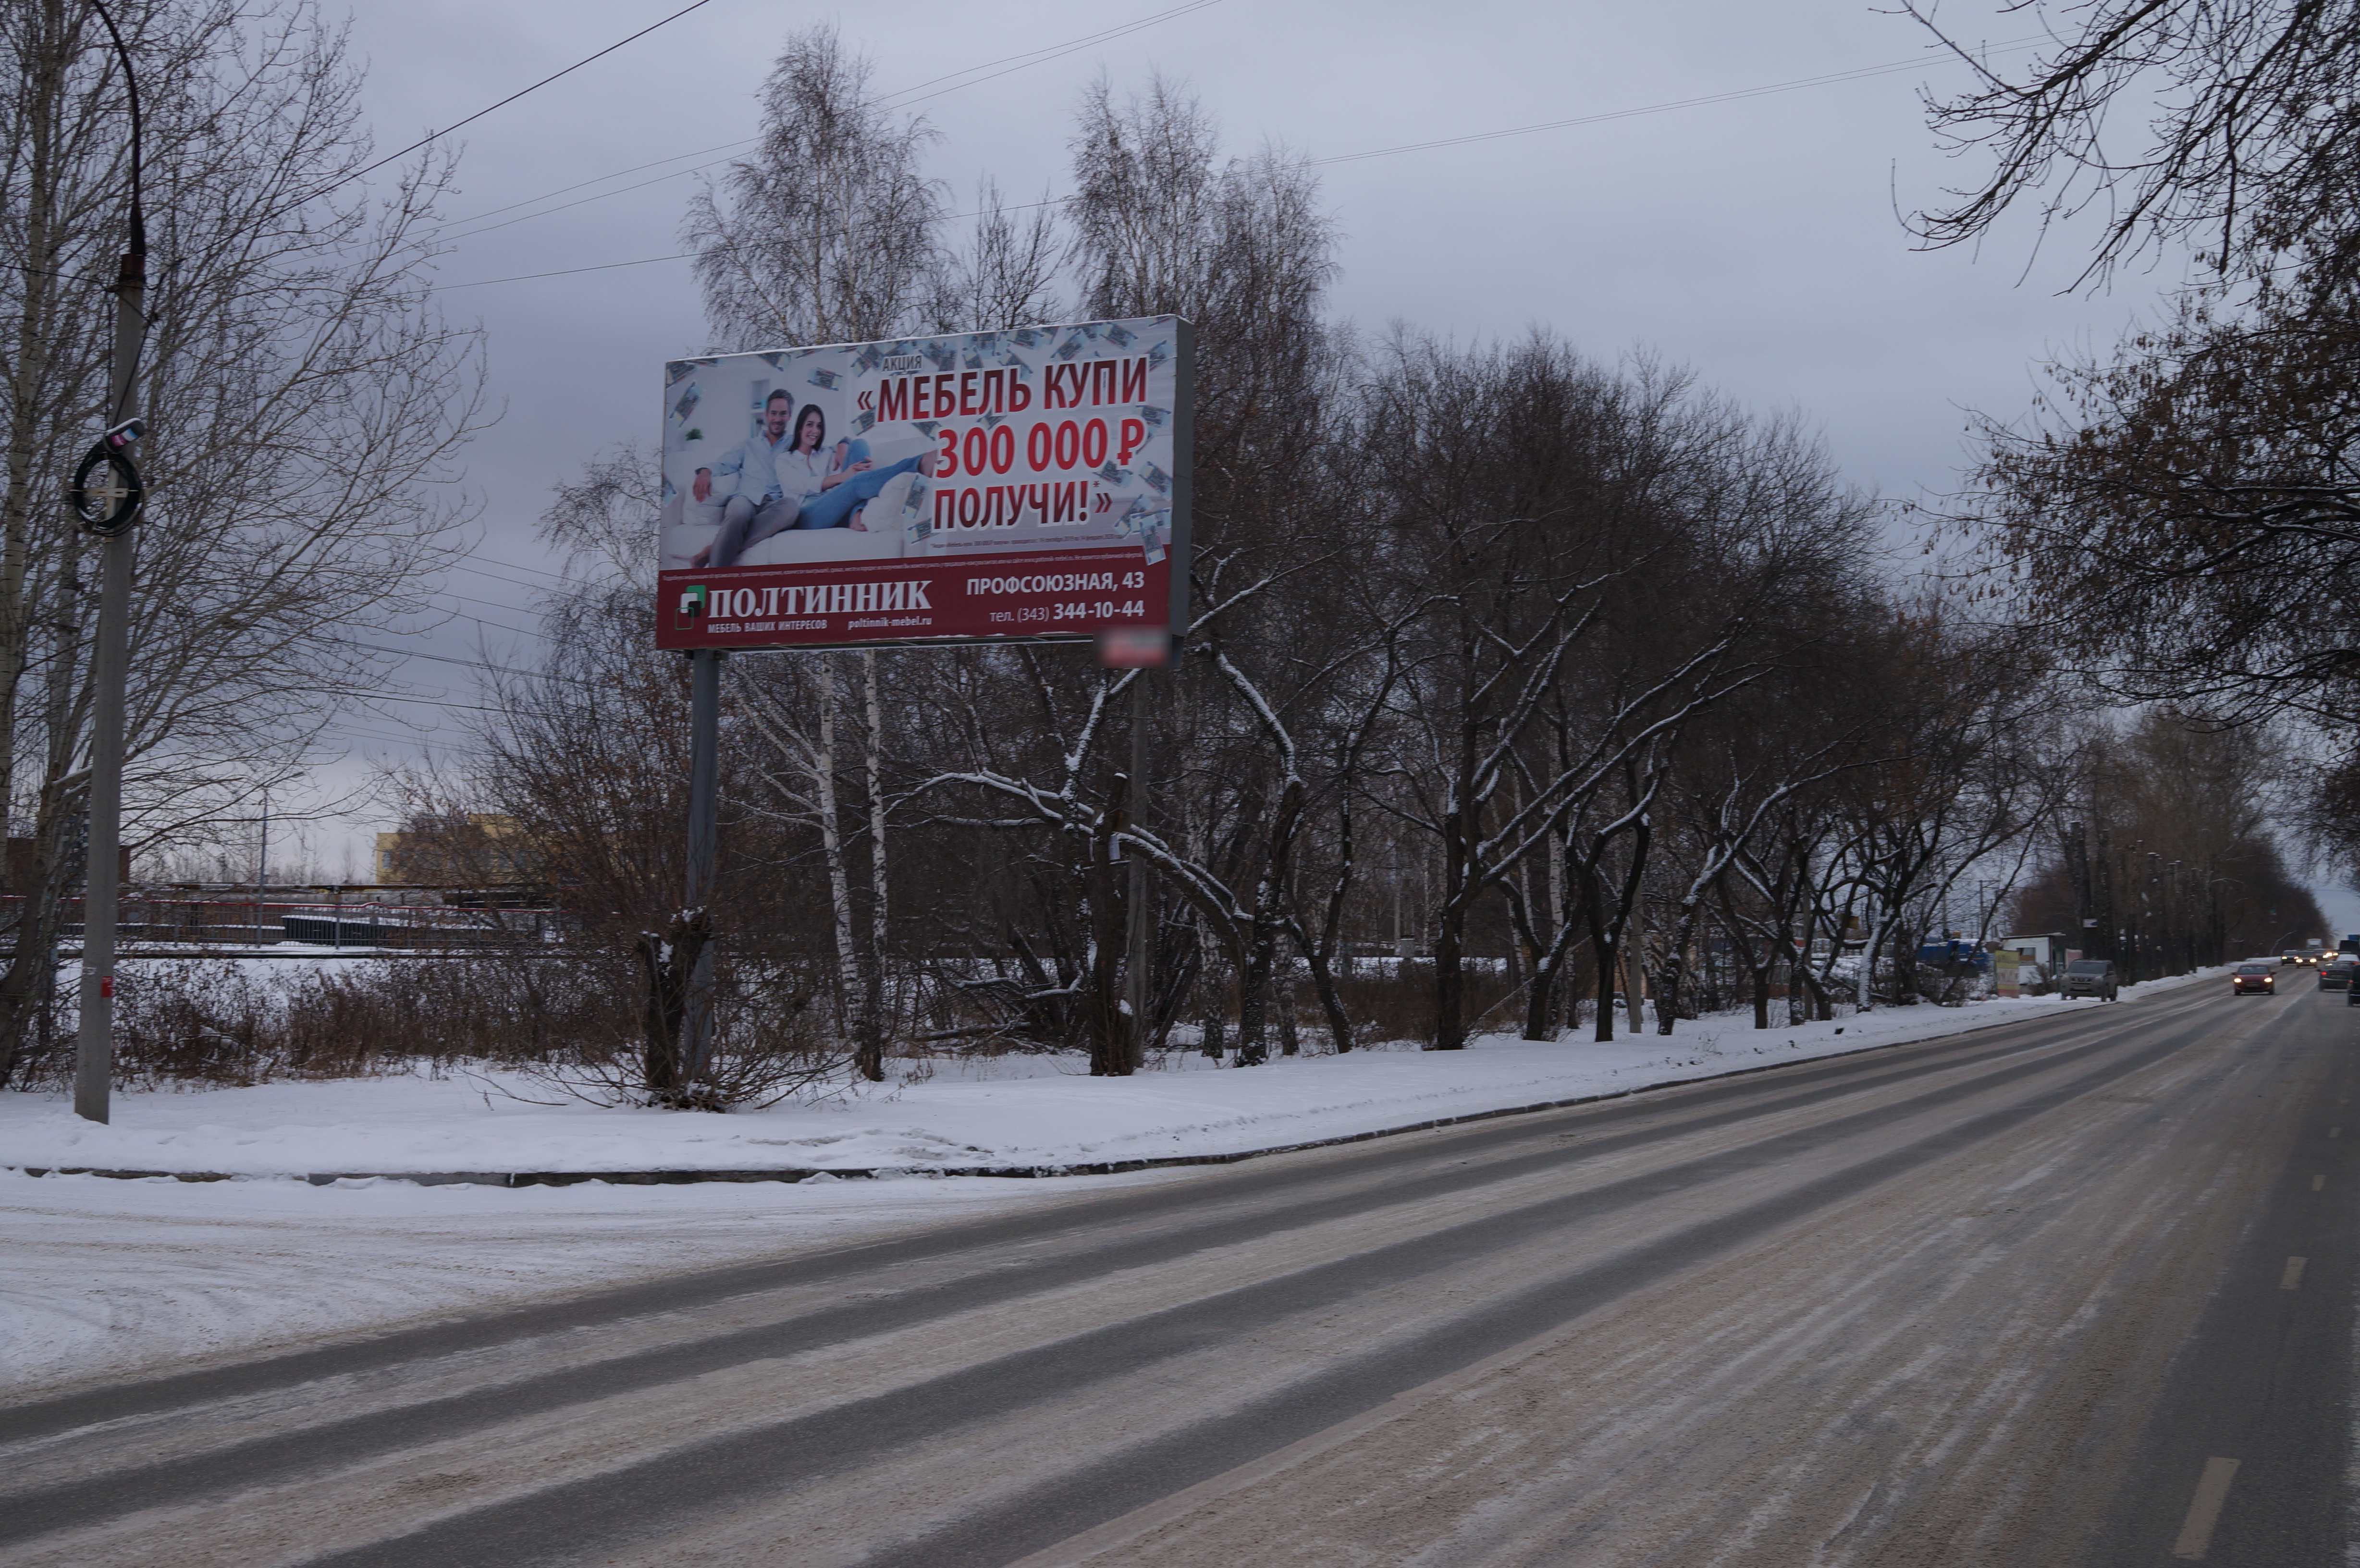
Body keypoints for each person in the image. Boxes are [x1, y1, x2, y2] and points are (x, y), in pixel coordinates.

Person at [695, 390, 797, 569]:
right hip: (746, 498)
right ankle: (715, 579)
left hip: (774, 503)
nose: (777, 419)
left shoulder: (796, 444)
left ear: (790, 416)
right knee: (738, 514)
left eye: (783, 414)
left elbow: (822, 449)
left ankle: (714, 550)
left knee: (791, 507)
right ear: (766, 415)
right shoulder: (748, 445)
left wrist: (844, 444)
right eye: (773, 413)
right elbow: (724, 463)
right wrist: (705, 472)